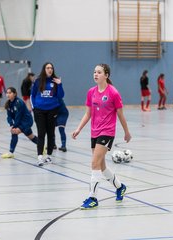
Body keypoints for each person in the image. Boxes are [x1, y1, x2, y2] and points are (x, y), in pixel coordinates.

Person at [72, 63, 131, 209]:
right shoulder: (91, 92)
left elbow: (120, 115)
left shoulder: (113, 93)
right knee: (101, 166)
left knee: (94, 163)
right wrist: (79, 129)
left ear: (106, 75)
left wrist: (126, 132)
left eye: (99, 72)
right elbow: (88, 113)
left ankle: (93, 198)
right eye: (94, 72)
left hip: (107, 132)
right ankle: (119, 187)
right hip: (94, 131)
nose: (95, 74)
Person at [31, 62, 64, 166]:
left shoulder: (55, 81)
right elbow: (32, 95)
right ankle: (40, 157)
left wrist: (59, 84)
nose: (50, 69)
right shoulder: (38, 81)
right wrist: (34, 107)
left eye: (51, 68)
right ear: (44, 69)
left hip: (52, 110)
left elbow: (60, 96)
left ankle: (49, 156)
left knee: (51, 134)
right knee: (41, 133)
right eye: (47, 68)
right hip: (39, 110)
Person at [1, 87, 39, 158]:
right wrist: (11, 124)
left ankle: (11, 152)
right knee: (31, 136)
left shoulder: (19, 102)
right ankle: (42, 146)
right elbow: (9, 116)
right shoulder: (9, 103)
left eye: (10, 93)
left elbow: (18, 116)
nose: (8, 94)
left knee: (14, 132)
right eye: (7, 93)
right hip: (20, 122)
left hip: (27, 121)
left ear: (14, 94)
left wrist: (14, 126)